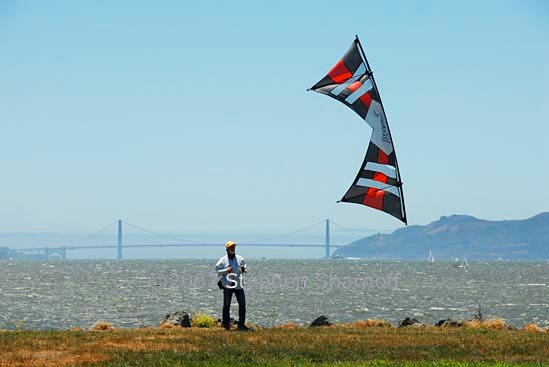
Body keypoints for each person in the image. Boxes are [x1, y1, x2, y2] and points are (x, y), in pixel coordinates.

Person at [215, 241, 249, 331]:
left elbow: (245, 269)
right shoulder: (222, 260)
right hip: (227, 285)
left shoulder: (240, 258)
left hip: (238, 284)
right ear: (227, 249)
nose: (232, 249)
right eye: (231, 247)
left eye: (234, 247)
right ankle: (226, 325)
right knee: (226, 305)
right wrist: (226, 270)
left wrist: (243, 269)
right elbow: (217, 272)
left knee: (242, 304)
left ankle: (241, 324)